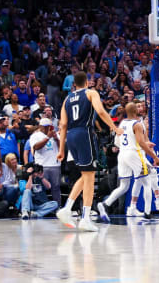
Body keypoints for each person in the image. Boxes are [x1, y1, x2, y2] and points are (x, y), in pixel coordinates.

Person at [56, 71, 123, 232]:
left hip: (71, 136)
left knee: (86, 175)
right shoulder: (91, 92)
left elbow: (63, 125)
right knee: (90, 177)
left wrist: (61, 149)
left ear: (74, 84)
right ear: (86, 82)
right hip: (84, 133)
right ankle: (85, 217)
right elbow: (100, 112)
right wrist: (114, 127)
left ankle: (67, 208)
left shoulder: (67, 99)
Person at [97, 102, 159, 220]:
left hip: (122, 155)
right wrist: (155, 157)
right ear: (134, 111)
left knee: (124, 186)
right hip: (134, 154)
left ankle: (105, 204)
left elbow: (117, 142)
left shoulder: (122, 123)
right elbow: (141, 143)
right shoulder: (137, 124)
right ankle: (148, 212)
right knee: (147, 182)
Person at [28, 118, 61, 204]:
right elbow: (36, 147)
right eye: (46, 127)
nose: (48, 128)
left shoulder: (56, 134)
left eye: (50, 126)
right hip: (41, 165)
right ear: (41, 126)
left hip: (55, 165)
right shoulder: (35, 136)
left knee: (56, 187)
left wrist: (57, 139)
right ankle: (43, 206)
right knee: (41, 187)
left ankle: (57, 207)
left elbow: (62, 148)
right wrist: (47, 137)